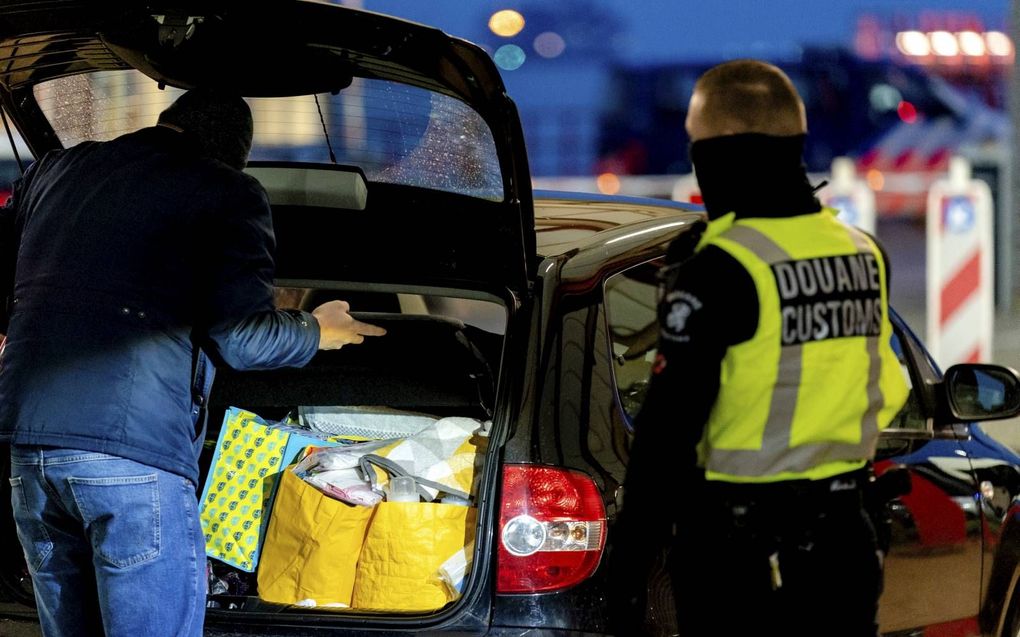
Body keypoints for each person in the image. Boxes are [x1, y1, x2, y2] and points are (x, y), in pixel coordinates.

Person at [0, 89, 385, 637]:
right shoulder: (224, 190)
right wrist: (318, 330)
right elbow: (243, 339)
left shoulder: (54, 172)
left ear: (168, 123)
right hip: (131, 458)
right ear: (233, 153)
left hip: (30, 453)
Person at [609, 60, 909, 636]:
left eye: (697, 145)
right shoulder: (861, 253)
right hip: (844, 543)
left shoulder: (721, 267)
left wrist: (628, 570)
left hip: (740, 555)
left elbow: (667, 432)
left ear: (718, 149)